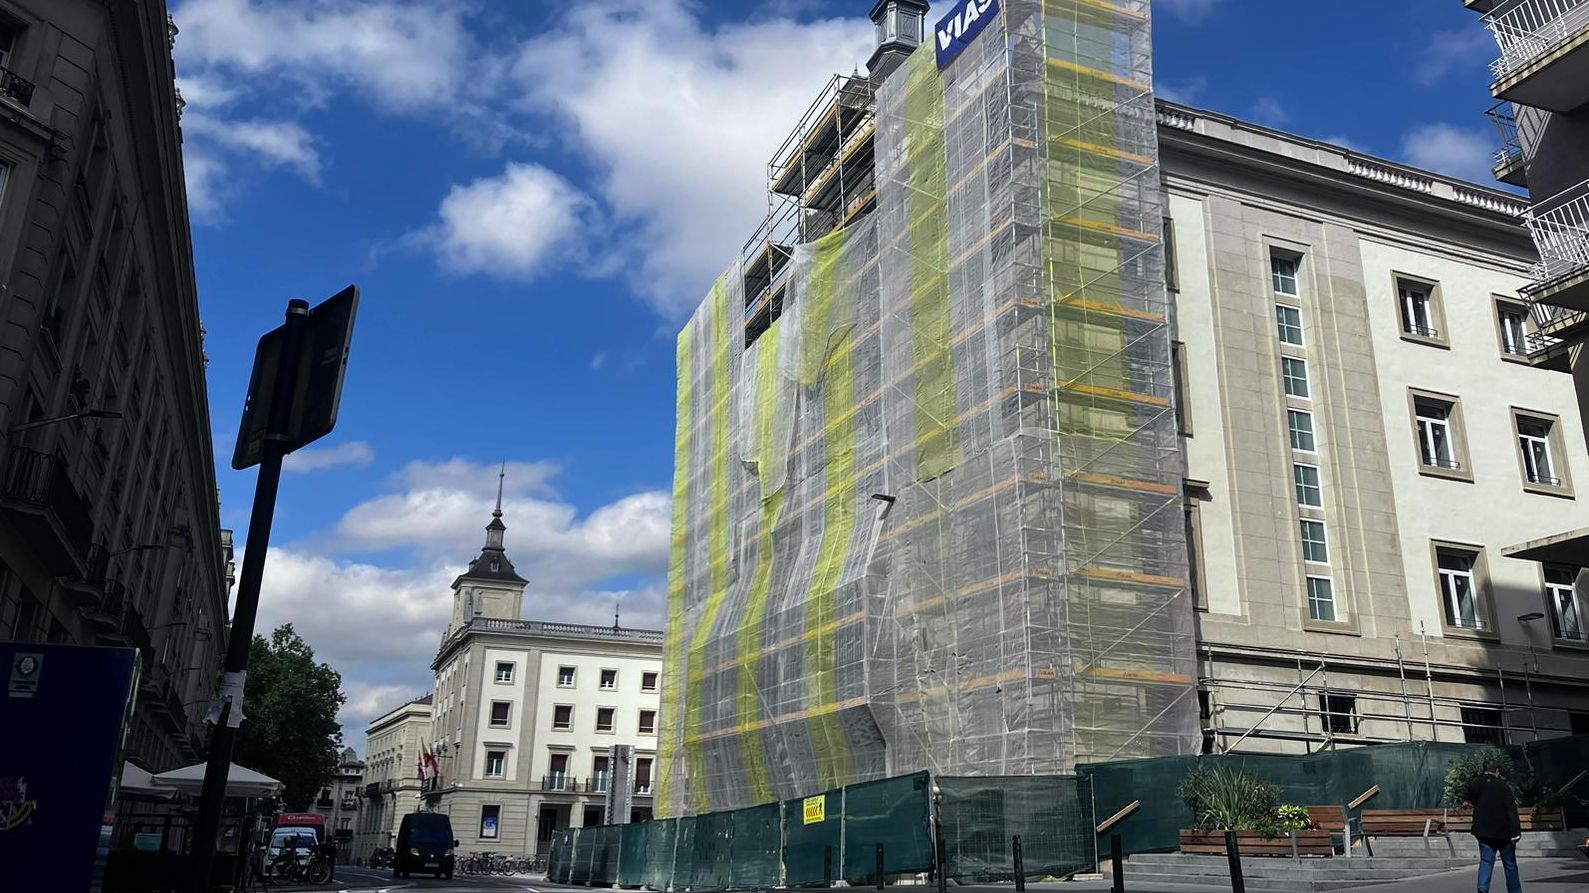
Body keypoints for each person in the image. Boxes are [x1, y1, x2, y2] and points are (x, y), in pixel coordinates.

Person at [1467, 759, 1523, 893]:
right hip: (1504, 832)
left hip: (1483, 831)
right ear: (1497, 771)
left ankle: (1482, 888)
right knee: (1510, 865)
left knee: (1486, 861)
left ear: (1483, 769)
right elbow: (1511, 809)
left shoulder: (1475, 783)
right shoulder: (1503, 786)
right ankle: (1515, 891)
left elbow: (1471, 799)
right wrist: (1516, 831)